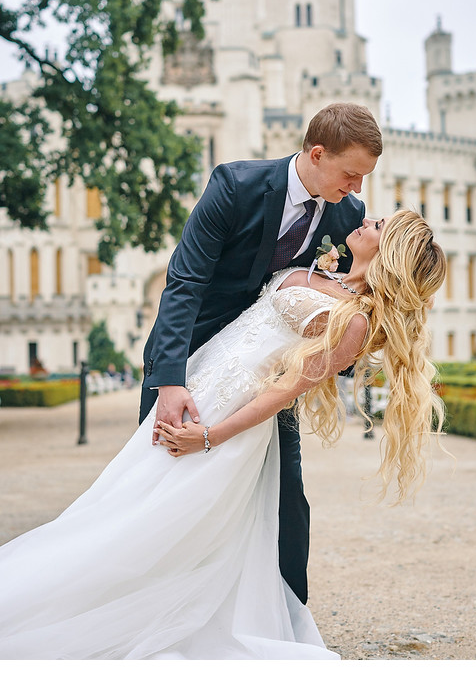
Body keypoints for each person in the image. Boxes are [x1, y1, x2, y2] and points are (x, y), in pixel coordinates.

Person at [0, 209, 446, 660]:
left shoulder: (353, 322)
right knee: (126, 497)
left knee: (155, 519)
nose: (371, 220)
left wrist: (210, 436)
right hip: (198, 384)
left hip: (226, 421)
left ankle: (106, 617)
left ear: (388, 253)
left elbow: (283, 392)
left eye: (381, 227)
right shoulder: (321, 268)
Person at [140, 101, 383, 605]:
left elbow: (343, 303)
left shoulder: (350, 215)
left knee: (285, 499)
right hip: (192, 360)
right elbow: (185, 282)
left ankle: (287, 620)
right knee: (165, 494)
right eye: (351, 174)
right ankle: (156, 609)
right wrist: (169, 380)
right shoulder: (235, 185)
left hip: (273, 375)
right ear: (317, 153)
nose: (357, 188)